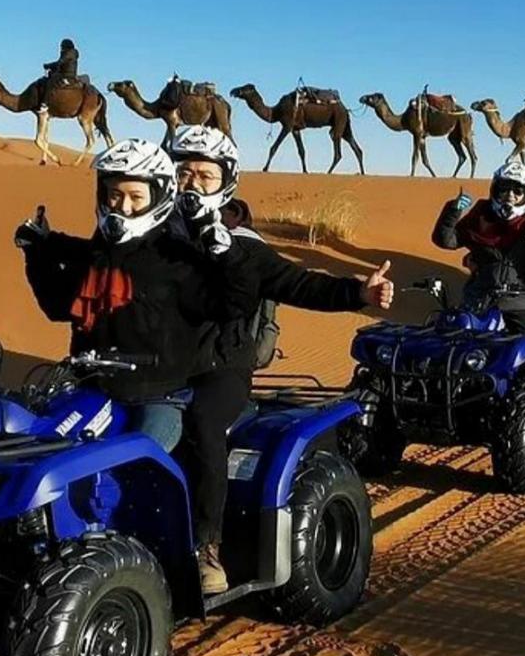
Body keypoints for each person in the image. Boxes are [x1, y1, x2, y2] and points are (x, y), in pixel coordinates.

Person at [167, 124, 394, 594]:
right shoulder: (148, 239)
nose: (192, 184)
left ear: (225, 181)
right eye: (183, 172)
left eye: (204, 176)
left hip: (219, 368)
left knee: (204, 426)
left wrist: (358, 291)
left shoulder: (244, 248)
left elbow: (300, 284)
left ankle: (206, 548)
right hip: (148, 365)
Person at [15, 137, 257, 546]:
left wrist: (225, 254)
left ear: (158, 197)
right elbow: (59, 305)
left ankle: (201, 548)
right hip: (95, 388)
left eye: (134, 197)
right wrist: (36, 255)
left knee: (141, 455)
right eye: (114, 195)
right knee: (37, 442)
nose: (122, 207)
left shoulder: (180, 259)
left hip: (160, 396)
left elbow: (233, 301)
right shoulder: (100, 254)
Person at [433, 160, 525, 335]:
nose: (510, 195)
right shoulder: (482, 214)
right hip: (479, 299)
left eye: (518, 191)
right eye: (504, 189)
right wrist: (452, 211)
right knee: (449, 335)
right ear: (495, 190)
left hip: (521, 302)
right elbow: (446, 241)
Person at [38, 38, 80, 113]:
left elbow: (60, 63)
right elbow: (60, 65)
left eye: (62, 46)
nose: (61, 48)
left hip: (67, 75)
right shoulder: (71, 53)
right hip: (67, 74)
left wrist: (48, 65)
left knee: (50, 83)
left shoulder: (69, 53)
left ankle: (45, 104)